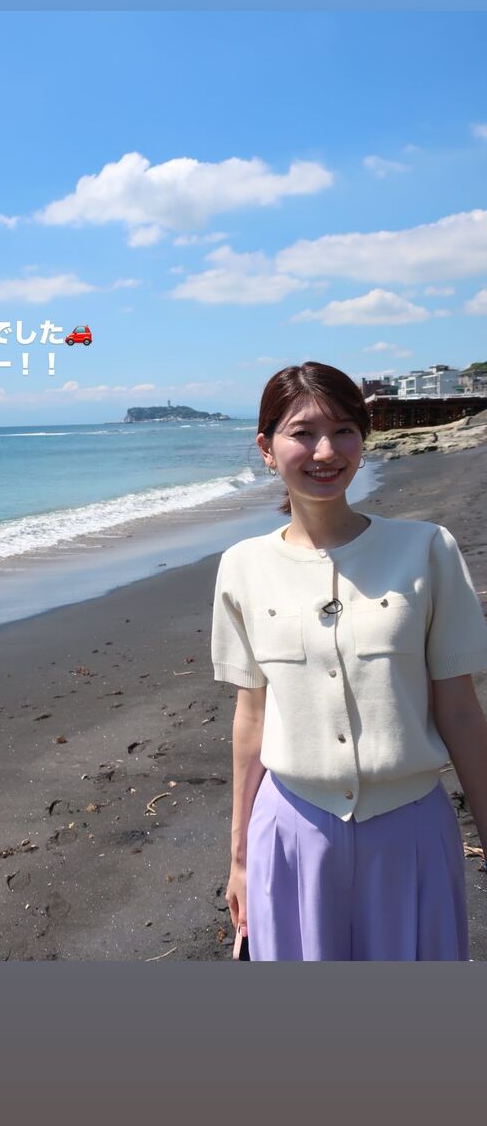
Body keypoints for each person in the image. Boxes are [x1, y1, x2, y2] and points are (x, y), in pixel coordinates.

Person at [211, 361, 487, 961]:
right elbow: (251, 717)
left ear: (364, 439)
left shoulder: (427, 549)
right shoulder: (242, 567)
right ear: (266, 447)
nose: (325, 451)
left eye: (344, 431)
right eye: (302, 433)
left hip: (410, 828)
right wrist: (240, 860)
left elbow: (461, 711)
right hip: (291, 831)